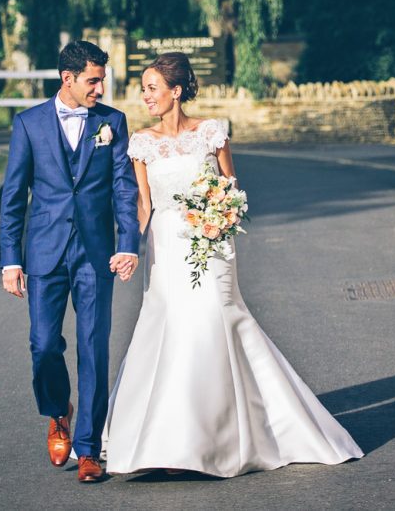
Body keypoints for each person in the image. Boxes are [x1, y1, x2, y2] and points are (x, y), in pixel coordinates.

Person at [103, 51, 363, 478]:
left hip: (213, 245)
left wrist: (220, 217)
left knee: (215, 321)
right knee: (169, 330)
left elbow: (231, 187)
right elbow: (143, 205)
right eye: (144, 88)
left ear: (177, 91)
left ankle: (222, 434)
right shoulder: (142, 144)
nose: (145, 96)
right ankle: (170, 441)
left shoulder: (212, 133)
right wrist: (130, 248)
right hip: (167, 250)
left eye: (152, 88)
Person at [0, 40, 140, 484]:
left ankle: (88, 448)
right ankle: (58, 412)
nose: (101, 88)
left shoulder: (112, 123)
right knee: (43, 346)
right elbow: (13, 198)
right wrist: (10, 259)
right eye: (93, 80)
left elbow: (123, 189)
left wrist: (128, 242)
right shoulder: (28, 125)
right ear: (68, 79)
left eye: (102, 79)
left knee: (94, 350)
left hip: (96, 253)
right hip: (44, 252)